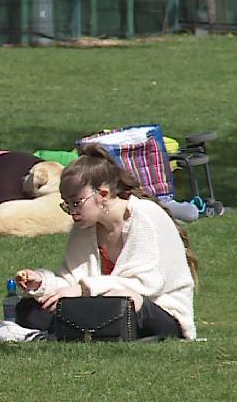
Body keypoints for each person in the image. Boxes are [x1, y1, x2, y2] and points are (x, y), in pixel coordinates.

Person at [11, 144, 198, 340]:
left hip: (157, 310)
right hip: (101, 303)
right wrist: (42, 284)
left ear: (103, 195)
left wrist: (84, 290)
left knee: (124, 298)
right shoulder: (85, 227)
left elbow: (146, 284)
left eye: (76, 203)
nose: (72, 211)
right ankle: (87, 330)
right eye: (67, 204)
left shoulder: (145, 216)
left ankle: (76, 330)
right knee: (29, 309)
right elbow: (71, 282)